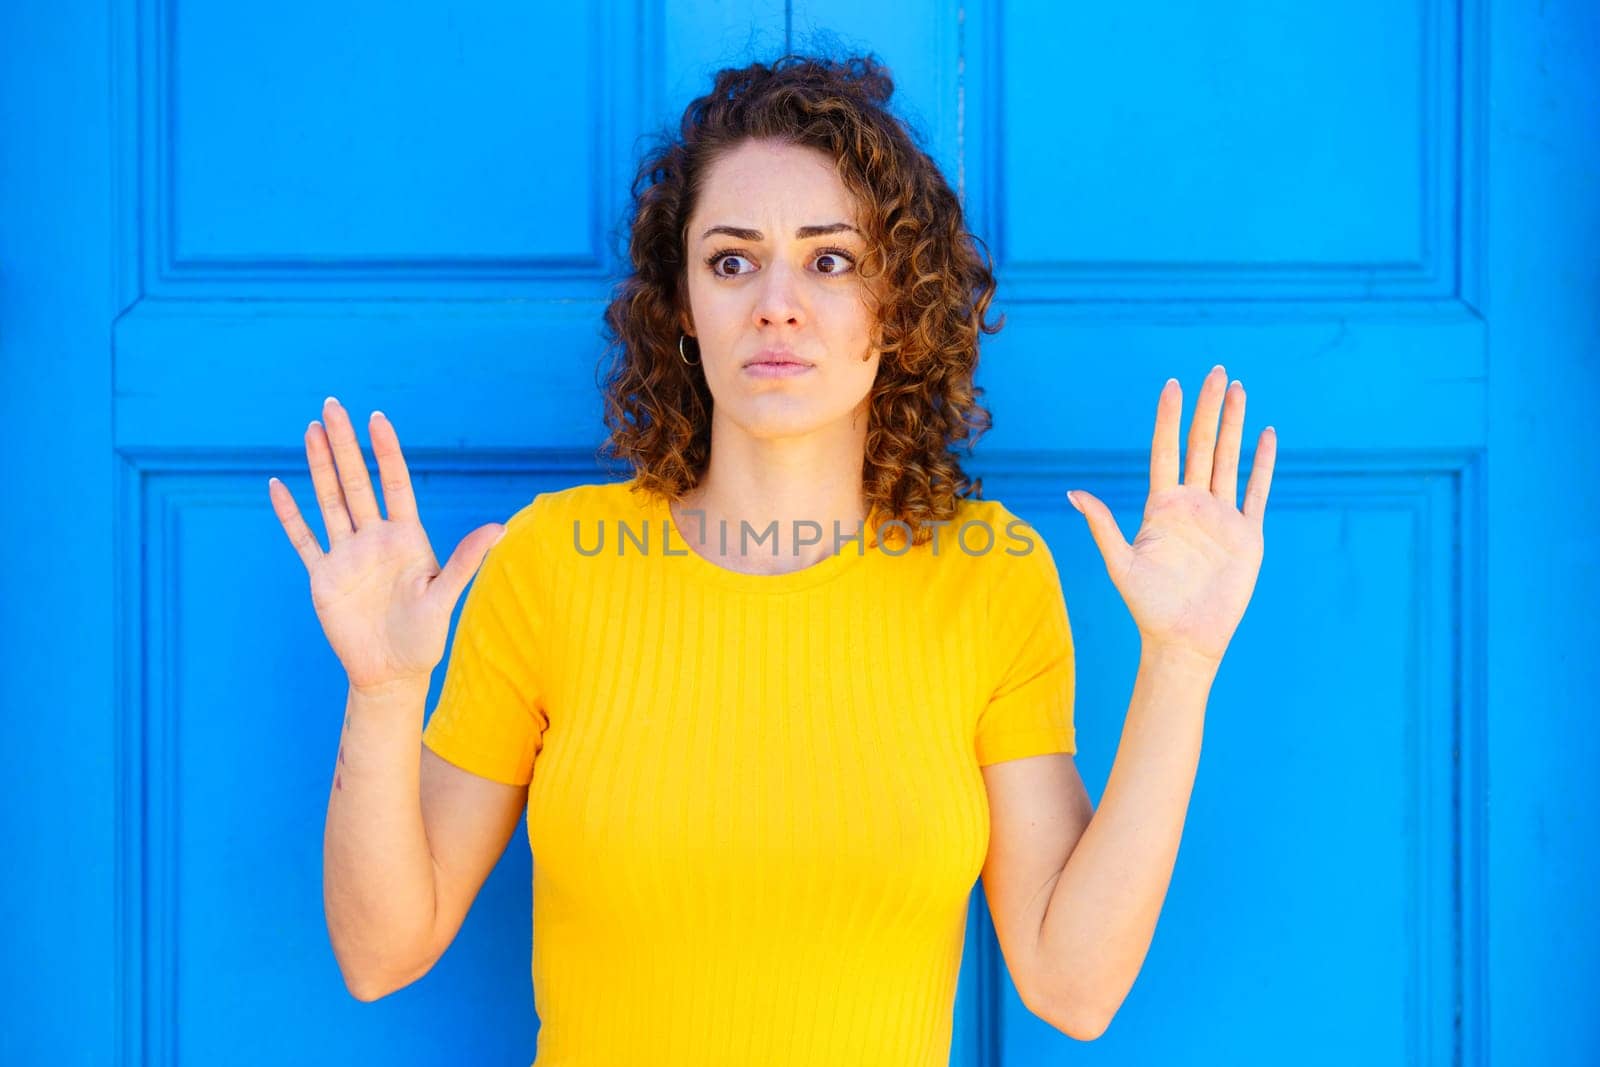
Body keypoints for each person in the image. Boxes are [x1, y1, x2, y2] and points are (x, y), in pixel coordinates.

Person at [267, 53, 1276, 1066]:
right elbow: (380, 952)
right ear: (682, 305)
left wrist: (1179, 666)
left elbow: (1073, 982)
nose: (776, 305)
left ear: (900, 302)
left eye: (830, 259)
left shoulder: (990, 576)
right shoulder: (552, 565)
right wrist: (385, 689)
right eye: (733, 260)